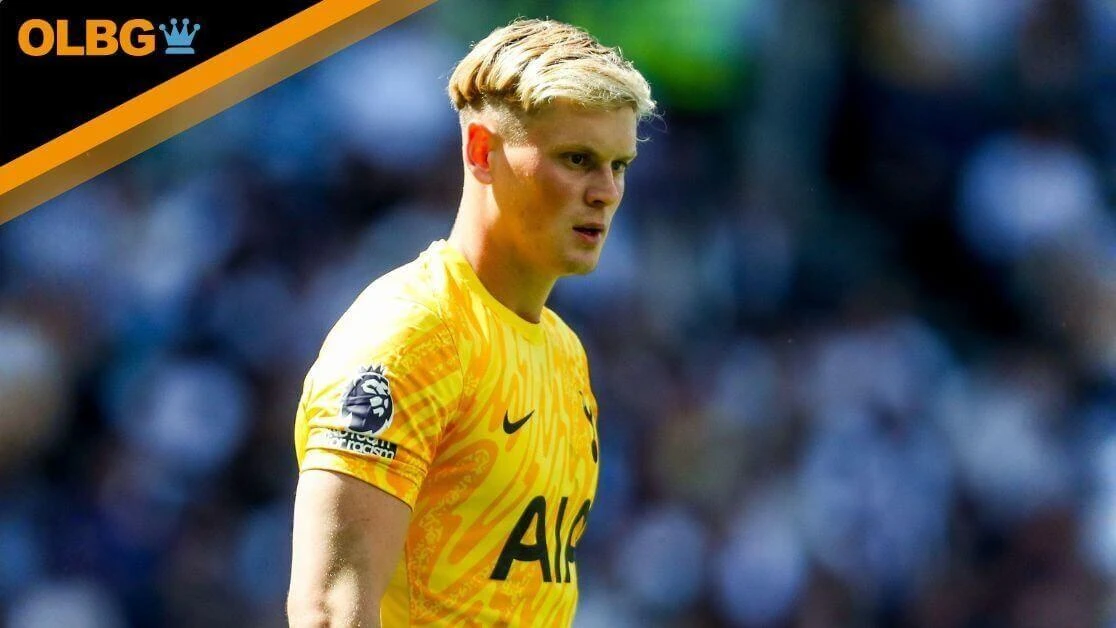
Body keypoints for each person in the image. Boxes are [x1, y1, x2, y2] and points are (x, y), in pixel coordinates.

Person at [287, 17, 655, 627]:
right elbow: (328, 610)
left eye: (619, 165)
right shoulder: (415, 334)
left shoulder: (565, 352)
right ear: (482, 151)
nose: (606, 191)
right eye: (577, 159)